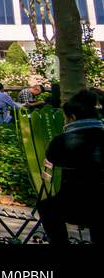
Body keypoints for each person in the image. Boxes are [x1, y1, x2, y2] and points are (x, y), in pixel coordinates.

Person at [36, 90, 104, 245]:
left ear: (72, 117)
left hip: (73, 205)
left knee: (46, 206)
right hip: (101, 205)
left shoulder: (61, 141)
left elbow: (51, 160)